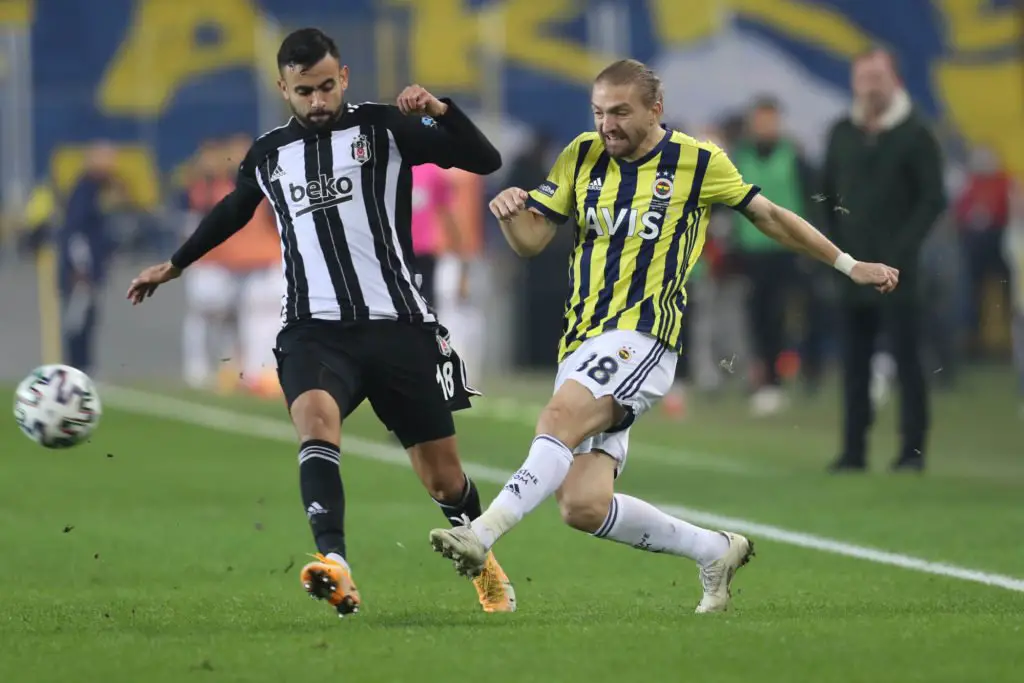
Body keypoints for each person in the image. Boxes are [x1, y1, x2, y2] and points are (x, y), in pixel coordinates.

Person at [428, 59, 899, 613]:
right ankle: (715, 550)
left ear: (656, 109)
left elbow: (770, 217)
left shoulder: (697, 162)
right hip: (580, 340)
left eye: (620, 112)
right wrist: (512, 214)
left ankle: (481, 534)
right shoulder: (581, 155)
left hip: (644, 336)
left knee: (556, 418)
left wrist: (848, 264)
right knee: (582, 505)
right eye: (599, 112)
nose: (607, 125)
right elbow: (531, 242)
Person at [125, 28, 515, 617]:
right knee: (314, 421)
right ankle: (334, 562)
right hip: (313, 329)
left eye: (327, 87)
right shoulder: (268, 154)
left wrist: (440, 112)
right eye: (305, 91)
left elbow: (486, 160)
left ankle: (483, 564)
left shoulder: (385, 128)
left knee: (444, 480)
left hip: (399, 325)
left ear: (344, 78)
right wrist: (175, 265)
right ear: (283, 88)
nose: (318, 100)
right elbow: (233, 211)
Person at [821, 48, 946, 473]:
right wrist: (838, 254)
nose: (870, 86)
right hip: (852, 270)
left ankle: (912, 453)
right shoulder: (842, 132)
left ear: (894, 79)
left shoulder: (916, 134)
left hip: (900, 273)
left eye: (877, 77)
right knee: (854, 365)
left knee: (909, 363)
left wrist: (901, 252)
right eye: (864, 78)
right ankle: (853, 452)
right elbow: (825, 195)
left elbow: (932, 199)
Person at [731, 96, 819, 415]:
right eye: (760, 119)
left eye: (770, 119)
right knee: (757, 318)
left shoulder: (793, 155)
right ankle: (765, 379)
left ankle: (794, 375)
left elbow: (811, 198)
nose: (765, 125)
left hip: (787, 250)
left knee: (789, 316)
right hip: (752, 252)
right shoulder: (739, 157)